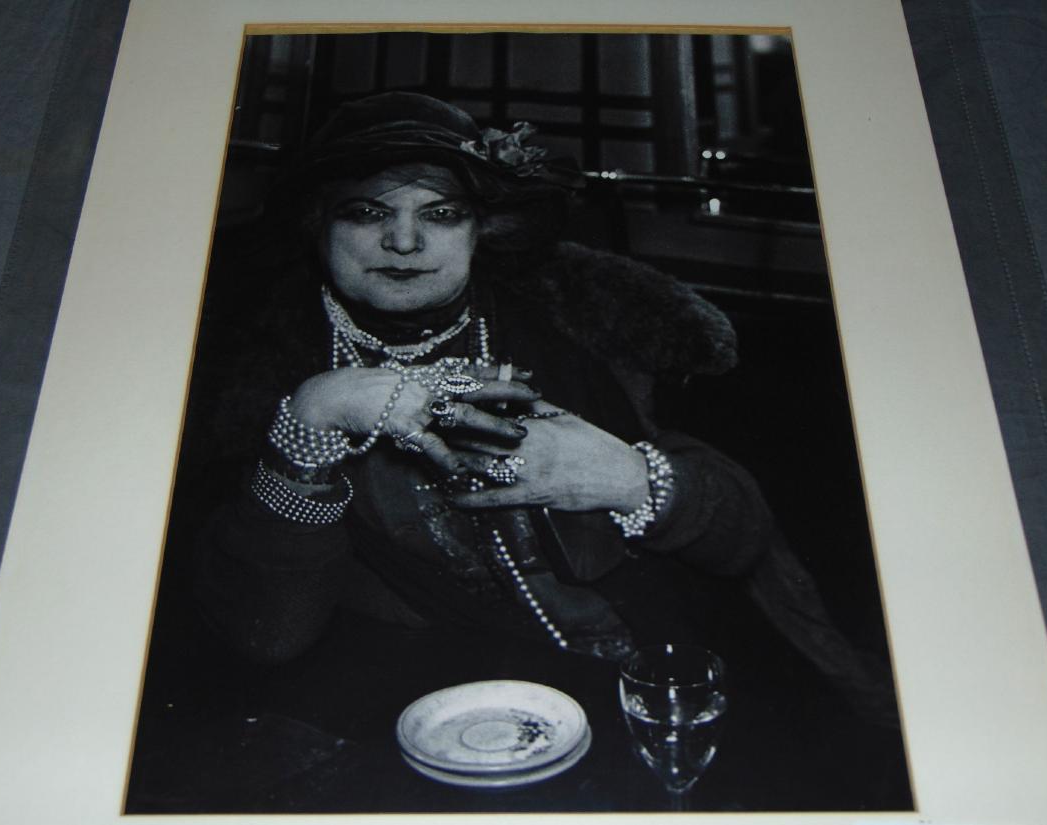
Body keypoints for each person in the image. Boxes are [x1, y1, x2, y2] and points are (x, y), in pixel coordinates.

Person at [191, 92, 894, 723]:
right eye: (366, 213)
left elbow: (746, 533)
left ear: (481, 232)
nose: (403, 242)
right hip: (416, 704)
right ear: (319, 227)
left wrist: (632, 479)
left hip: (641, 679)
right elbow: (265, 636)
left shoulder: (586, 327)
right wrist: (311, 418)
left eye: (440, 214)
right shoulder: (252, 364)